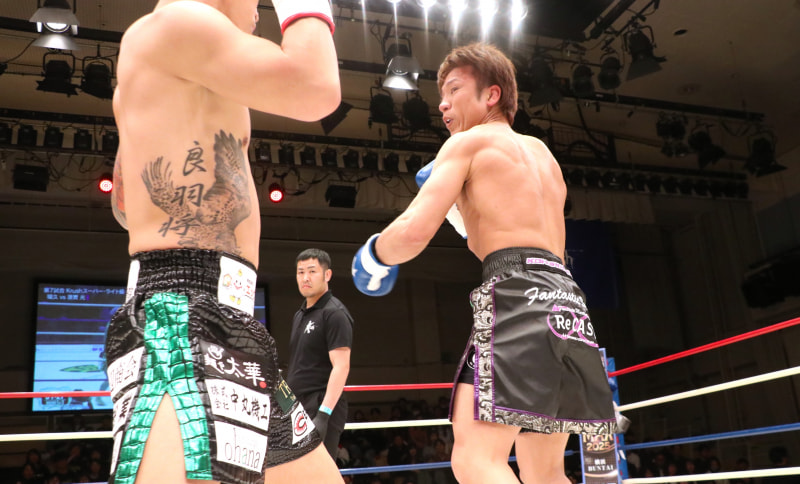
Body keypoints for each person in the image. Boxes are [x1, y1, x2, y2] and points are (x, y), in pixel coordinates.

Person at [351, 42, 619, 483]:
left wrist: (374, 254)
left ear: (492, 95)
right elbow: (519, 236)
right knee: (546, 473)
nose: (442, 103)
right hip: (568, 303)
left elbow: (413, 232)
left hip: (517, 299)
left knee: (476, 460)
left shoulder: (467, 143)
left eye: (454, 89)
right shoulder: (544, 156)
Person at [104, 0, 343, 483]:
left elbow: (124, 202)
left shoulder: (169, 47)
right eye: (257, 1)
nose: (258, 13)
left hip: (226, 316)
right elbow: (315, 87)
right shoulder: (180, 21)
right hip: (181, 317)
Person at [288, 249, 354, 459]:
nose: (305, 278)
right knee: (296, 472)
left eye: (312, 271)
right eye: (300, 272)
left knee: (319, 472)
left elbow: (341, 366)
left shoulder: (335, 314)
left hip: (320, 406)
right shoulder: (300, 315)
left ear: (327, 275)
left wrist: (324, 415)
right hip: (297, 406)